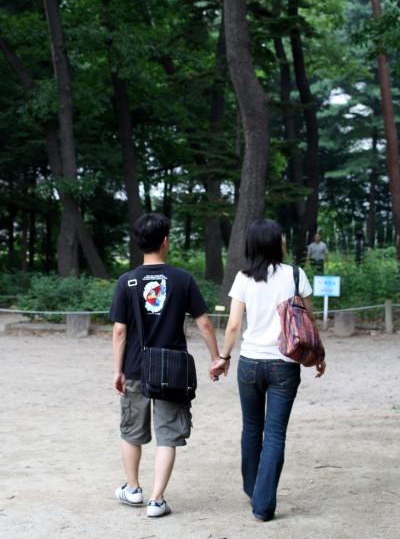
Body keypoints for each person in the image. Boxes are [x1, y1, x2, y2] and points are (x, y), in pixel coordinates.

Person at [211, 219, 326, 522]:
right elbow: (308, 321)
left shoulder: (243, 278)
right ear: (276, 243)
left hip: (249, 363)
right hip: (285, 364)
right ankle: (263, 505)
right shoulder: (295, 275)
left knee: (251, 428)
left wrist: (224, 357)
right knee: (274, 434)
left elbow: (234, 324)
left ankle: (254, 489)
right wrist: (318, 355)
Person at [109, 213, 220, 518]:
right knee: (168, 434)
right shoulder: (183, 279)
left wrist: (118, 371)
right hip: (172, 370)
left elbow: (119, 331)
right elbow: (205, 323)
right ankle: (157, 500)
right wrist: (216, 357)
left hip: (134, 367)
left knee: (132, 430)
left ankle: (133, 489)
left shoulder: (126, 282)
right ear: (166, 242)